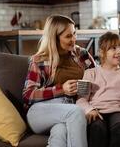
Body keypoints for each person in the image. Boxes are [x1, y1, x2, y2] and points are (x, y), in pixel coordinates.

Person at [22, 15, 96, 147]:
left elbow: (98, 78)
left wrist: (88, 93)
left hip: (68, 111)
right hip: (40, 112)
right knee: (76, 112)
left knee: (60, 131)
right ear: (54, 38)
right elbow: (28, 95)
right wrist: (62, 89)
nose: (74, 39)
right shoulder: (40, 60)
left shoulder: (82, 54)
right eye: (68, 36)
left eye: (74, 33)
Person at [76, 32, 120, 147]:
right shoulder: (89, 73)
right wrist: (89, 110)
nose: (119, 52)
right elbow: (80, 99)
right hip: (96, 111)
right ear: (101, 52)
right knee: (97, 127)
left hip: (118, 112)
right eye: (113, 48)